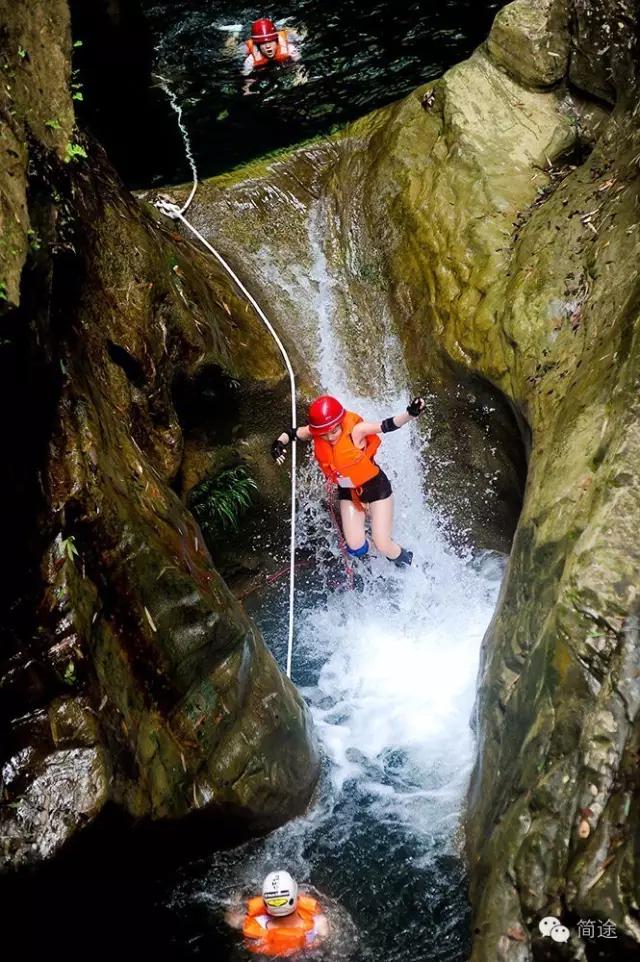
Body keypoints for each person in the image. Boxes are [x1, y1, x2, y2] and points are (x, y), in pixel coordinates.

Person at [271, 395, 426, 566]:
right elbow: (291, 433)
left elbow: (386, 425)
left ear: (340, 423)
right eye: (324, 434)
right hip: (349, 491)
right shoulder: (317, 431)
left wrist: (410, 414)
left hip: (376, 489)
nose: (330, 437)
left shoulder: (357, 431)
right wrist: (278, 444)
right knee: (356, 547)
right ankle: (376, 549)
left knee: (382, 543)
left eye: (334, 431)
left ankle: (408, 562)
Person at [226, 870, 329, 956]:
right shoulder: (318, 926)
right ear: (297, 898)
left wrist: (238, 895)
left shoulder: (250, 928)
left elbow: (231, 917)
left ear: (265, 902)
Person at [241, 18, 302, 93]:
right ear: (258, 46)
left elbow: (300, 66)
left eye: (271, 42)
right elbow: (247, 81)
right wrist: (248, 90)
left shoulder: (290, 50)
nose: (268, 46)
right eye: (263, 43)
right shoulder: (250, 61)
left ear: (277, 41)